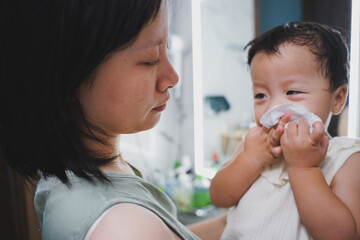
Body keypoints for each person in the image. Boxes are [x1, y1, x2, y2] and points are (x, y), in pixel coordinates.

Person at [0, 1, 227, 239]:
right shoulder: (123, 228)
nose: (172, 77)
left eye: (167, 48)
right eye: (150, 59)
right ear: (68, 76)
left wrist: (233, 220)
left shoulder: (74, 175)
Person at [210, 22, 360, 240]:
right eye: (261, 95)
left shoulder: (345, 159)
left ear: (337, 99)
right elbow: (219, 197)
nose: (274, 107)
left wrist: (304, 169)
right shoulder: (253, 144)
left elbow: (343, 236)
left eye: (293, 91)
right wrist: (251, 159)